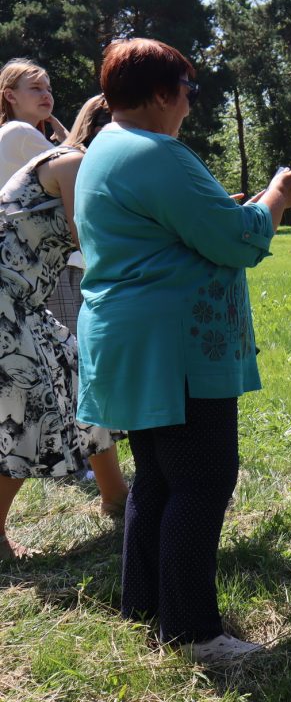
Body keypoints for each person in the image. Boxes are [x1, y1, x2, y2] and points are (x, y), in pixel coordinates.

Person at [74, 38, 291, 664]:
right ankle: (195, 633)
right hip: (173, 346)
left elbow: (171, 227)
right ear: (156, 93)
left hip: (131, 341)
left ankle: (145, 606)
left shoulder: (104, 149)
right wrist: (277, 198)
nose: (191, 106)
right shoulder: (157, 153)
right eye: (188, 91)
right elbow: (233, 240)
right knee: (202, 480)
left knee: (160, 478)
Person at [0, 94, 130, 560]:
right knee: (27, 406)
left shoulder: (75, 165)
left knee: (79, 383)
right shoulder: (72, 162)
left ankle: (116, 499)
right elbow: (86, 235)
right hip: (4, 297)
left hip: (23, 300)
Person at [0, 58, 70, 185]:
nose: (46, 95)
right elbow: (82, 171)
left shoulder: (11, 132)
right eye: (36, 88)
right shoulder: (21, 132)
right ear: (10, 96)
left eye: (49, 90)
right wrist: (66, 137)